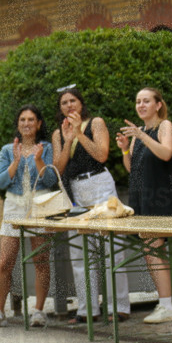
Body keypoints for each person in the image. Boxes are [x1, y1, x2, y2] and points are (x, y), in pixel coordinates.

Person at [52, 86, 130, 323]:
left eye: (73, 100)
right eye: (64, 103)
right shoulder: (58, 133)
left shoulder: (95, 123)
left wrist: (79, 134)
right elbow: (58, 167)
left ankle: (119, 306)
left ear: (81, 103)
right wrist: (67, 140)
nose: (69, 106)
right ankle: (87, 309)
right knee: (79, 252)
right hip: (76, 190)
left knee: (111, 247)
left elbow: (101, 154)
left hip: (99, 185)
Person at [117, 87, 172, 324]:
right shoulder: (142, 133)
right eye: (138, 101)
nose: (141, 105)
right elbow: (133, 170)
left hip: (163, 198)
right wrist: (126, 149)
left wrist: (141, 136)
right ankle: (165, 303)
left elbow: (166, 153)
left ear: (158, 105)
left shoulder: (164, 127)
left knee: (154, 251)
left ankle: (167, 305)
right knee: (153, 252)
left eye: (146, 101)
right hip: (144, 198)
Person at [0, 105, 56, 329]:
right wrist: (15, 161)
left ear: (39, 124)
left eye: (31, 119)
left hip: (40, 203)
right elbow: (1, 182)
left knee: (41, 259)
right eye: (22, 119)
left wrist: (40, 160)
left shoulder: (47, 147)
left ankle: (40, 311)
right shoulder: (7, 150)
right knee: (5, 261)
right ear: (18, 124)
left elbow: (51, 180)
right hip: (14, 204)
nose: (26, 123)